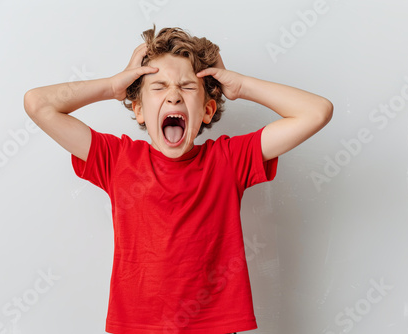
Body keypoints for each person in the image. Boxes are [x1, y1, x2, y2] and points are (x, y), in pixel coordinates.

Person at [24, 26, 333, 334]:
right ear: (140, 110)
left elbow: (317, 111)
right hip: (137, 328)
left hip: (214, 327)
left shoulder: (228, 160)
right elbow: (38, 104)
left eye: (186, 87)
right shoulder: (117, 159)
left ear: (207, 111)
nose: (173, 96)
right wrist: (112, 87)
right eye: (158, 88)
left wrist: (241, 87)